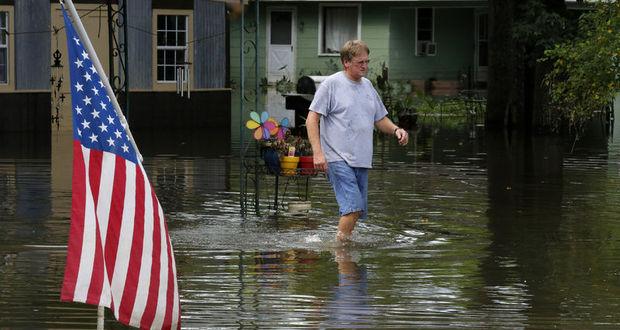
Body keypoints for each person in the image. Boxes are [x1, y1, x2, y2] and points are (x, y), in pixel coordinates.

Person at [305, 39, 408, 242]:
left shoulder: (367, 86)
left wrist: (396, 129)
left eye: (367, 61)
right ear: (346, 62)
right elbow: (312, 119)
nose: (365, 66)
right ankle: (341, 253)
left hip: (361, 159)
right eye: (360, 62)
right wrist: (318, 153)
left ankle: (345, 253)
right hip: (337, 158)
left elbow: (379, 119)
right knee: (353, 208)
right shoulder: (331, 84)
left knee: (357, 211)